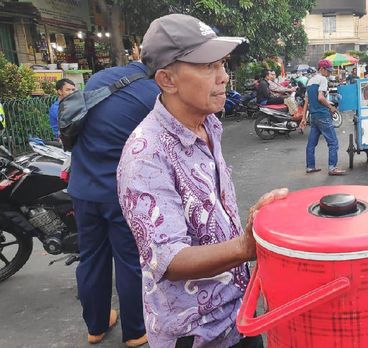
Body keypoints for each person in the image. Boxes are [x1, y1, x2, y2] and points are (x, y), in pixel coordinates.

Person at [117, 14, 287, 347]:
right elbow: (168, 260)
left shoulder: (207, 125)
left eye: (222, 64)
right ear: (167, 80)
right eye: (207, 66)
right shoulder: (145, 155)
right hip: (195, 333)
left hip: (238, 314)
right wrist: (244, 247)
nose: (224, 76)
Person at [67, 49, 157, 345]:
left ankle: (96, 326)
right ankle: (136, 330)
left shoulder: (98, 79)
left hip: (83, 187)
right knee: (130, 259)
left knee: (91, 258)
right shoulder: (153, 93)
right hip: (122, 191)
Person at [300, 59, 346, 176]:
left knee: (311, 143)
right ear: (321, 69)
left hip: (313, 116)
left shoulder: (310, 81)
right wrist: (330, 107)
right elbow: (321, 97)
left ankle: (310, 166)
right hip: (323, 115)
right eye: (328, 71)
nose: (329, 73)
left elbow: (306, 102)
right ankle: (332, 168)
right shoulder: (322, 79)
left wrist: (303, 118)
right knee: (333, 142)